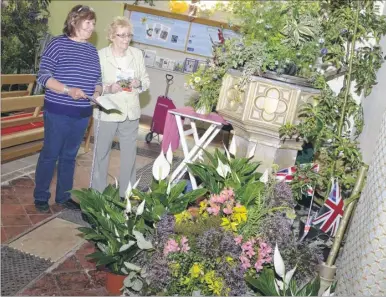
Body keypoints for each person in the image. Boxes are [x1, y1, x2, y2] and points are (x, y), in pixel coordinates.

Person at [34, 5, 102, 212]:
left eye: (93, 23)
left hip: (81, 113)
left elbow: (98, 79)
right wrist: (67, 90)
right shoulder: (57, 44)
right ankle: (41, 196)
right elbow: (43, 76)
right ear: (74, 21)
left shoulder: (91, 50)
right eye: (88, 22)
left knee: (70, 156)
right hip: (58, 111)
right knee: (50, 154)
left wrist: (98, 93)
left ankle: (63, 196)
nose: (92, 27)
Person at [91, 16, 150, 198]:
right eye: (121, 35)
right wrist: (108, 88)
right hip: (107, 112)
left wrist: (138, 83)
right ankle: (97, 196)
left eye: (128, 36)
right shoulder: (100, 56)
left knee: (129, 157)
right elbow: (94, 84)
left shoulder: (137, 54)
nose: (126, 40)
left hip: (130, 112)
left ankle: (127, 195)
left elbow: (146, 81)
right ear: (111, 36)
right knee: (100, 156)